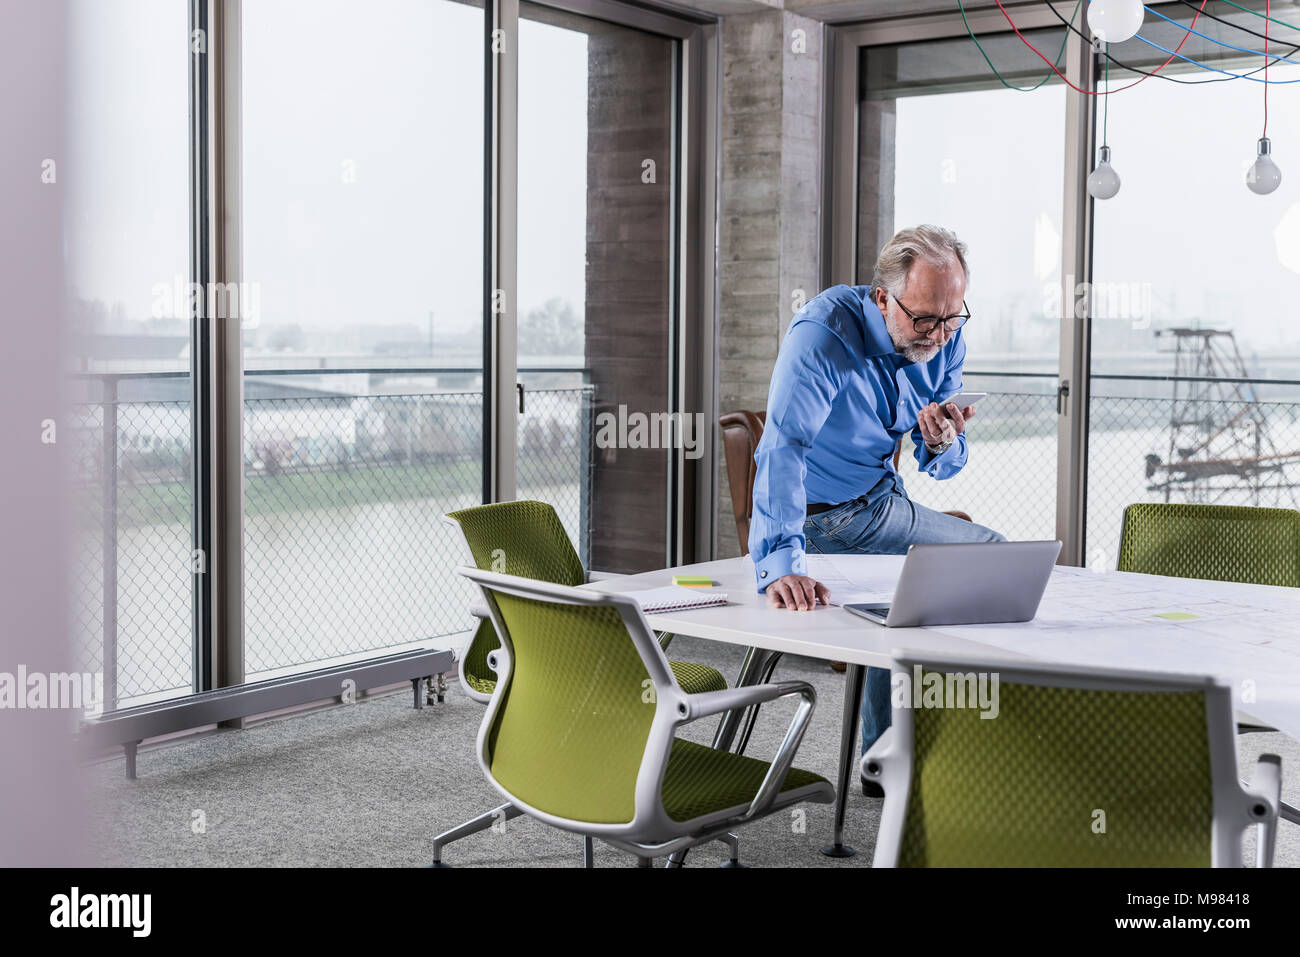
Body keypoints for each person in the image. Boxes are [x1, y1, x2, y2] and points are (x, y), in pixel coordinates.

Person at [748, 224, 1005, 795]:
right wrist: (779, 564)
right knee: (993, 556)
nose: (939, 335)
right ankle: (935, 754)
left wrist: (941, 440)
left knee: (906, 600)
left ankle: (884, 763)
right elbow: (783, 447)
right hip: (826, 515)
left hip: (881, 500)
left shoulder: (944, 331)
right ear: (883, 298)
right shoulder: (824, 335)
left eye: (952, 317)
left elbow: (943, 461)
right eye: (924, 319)